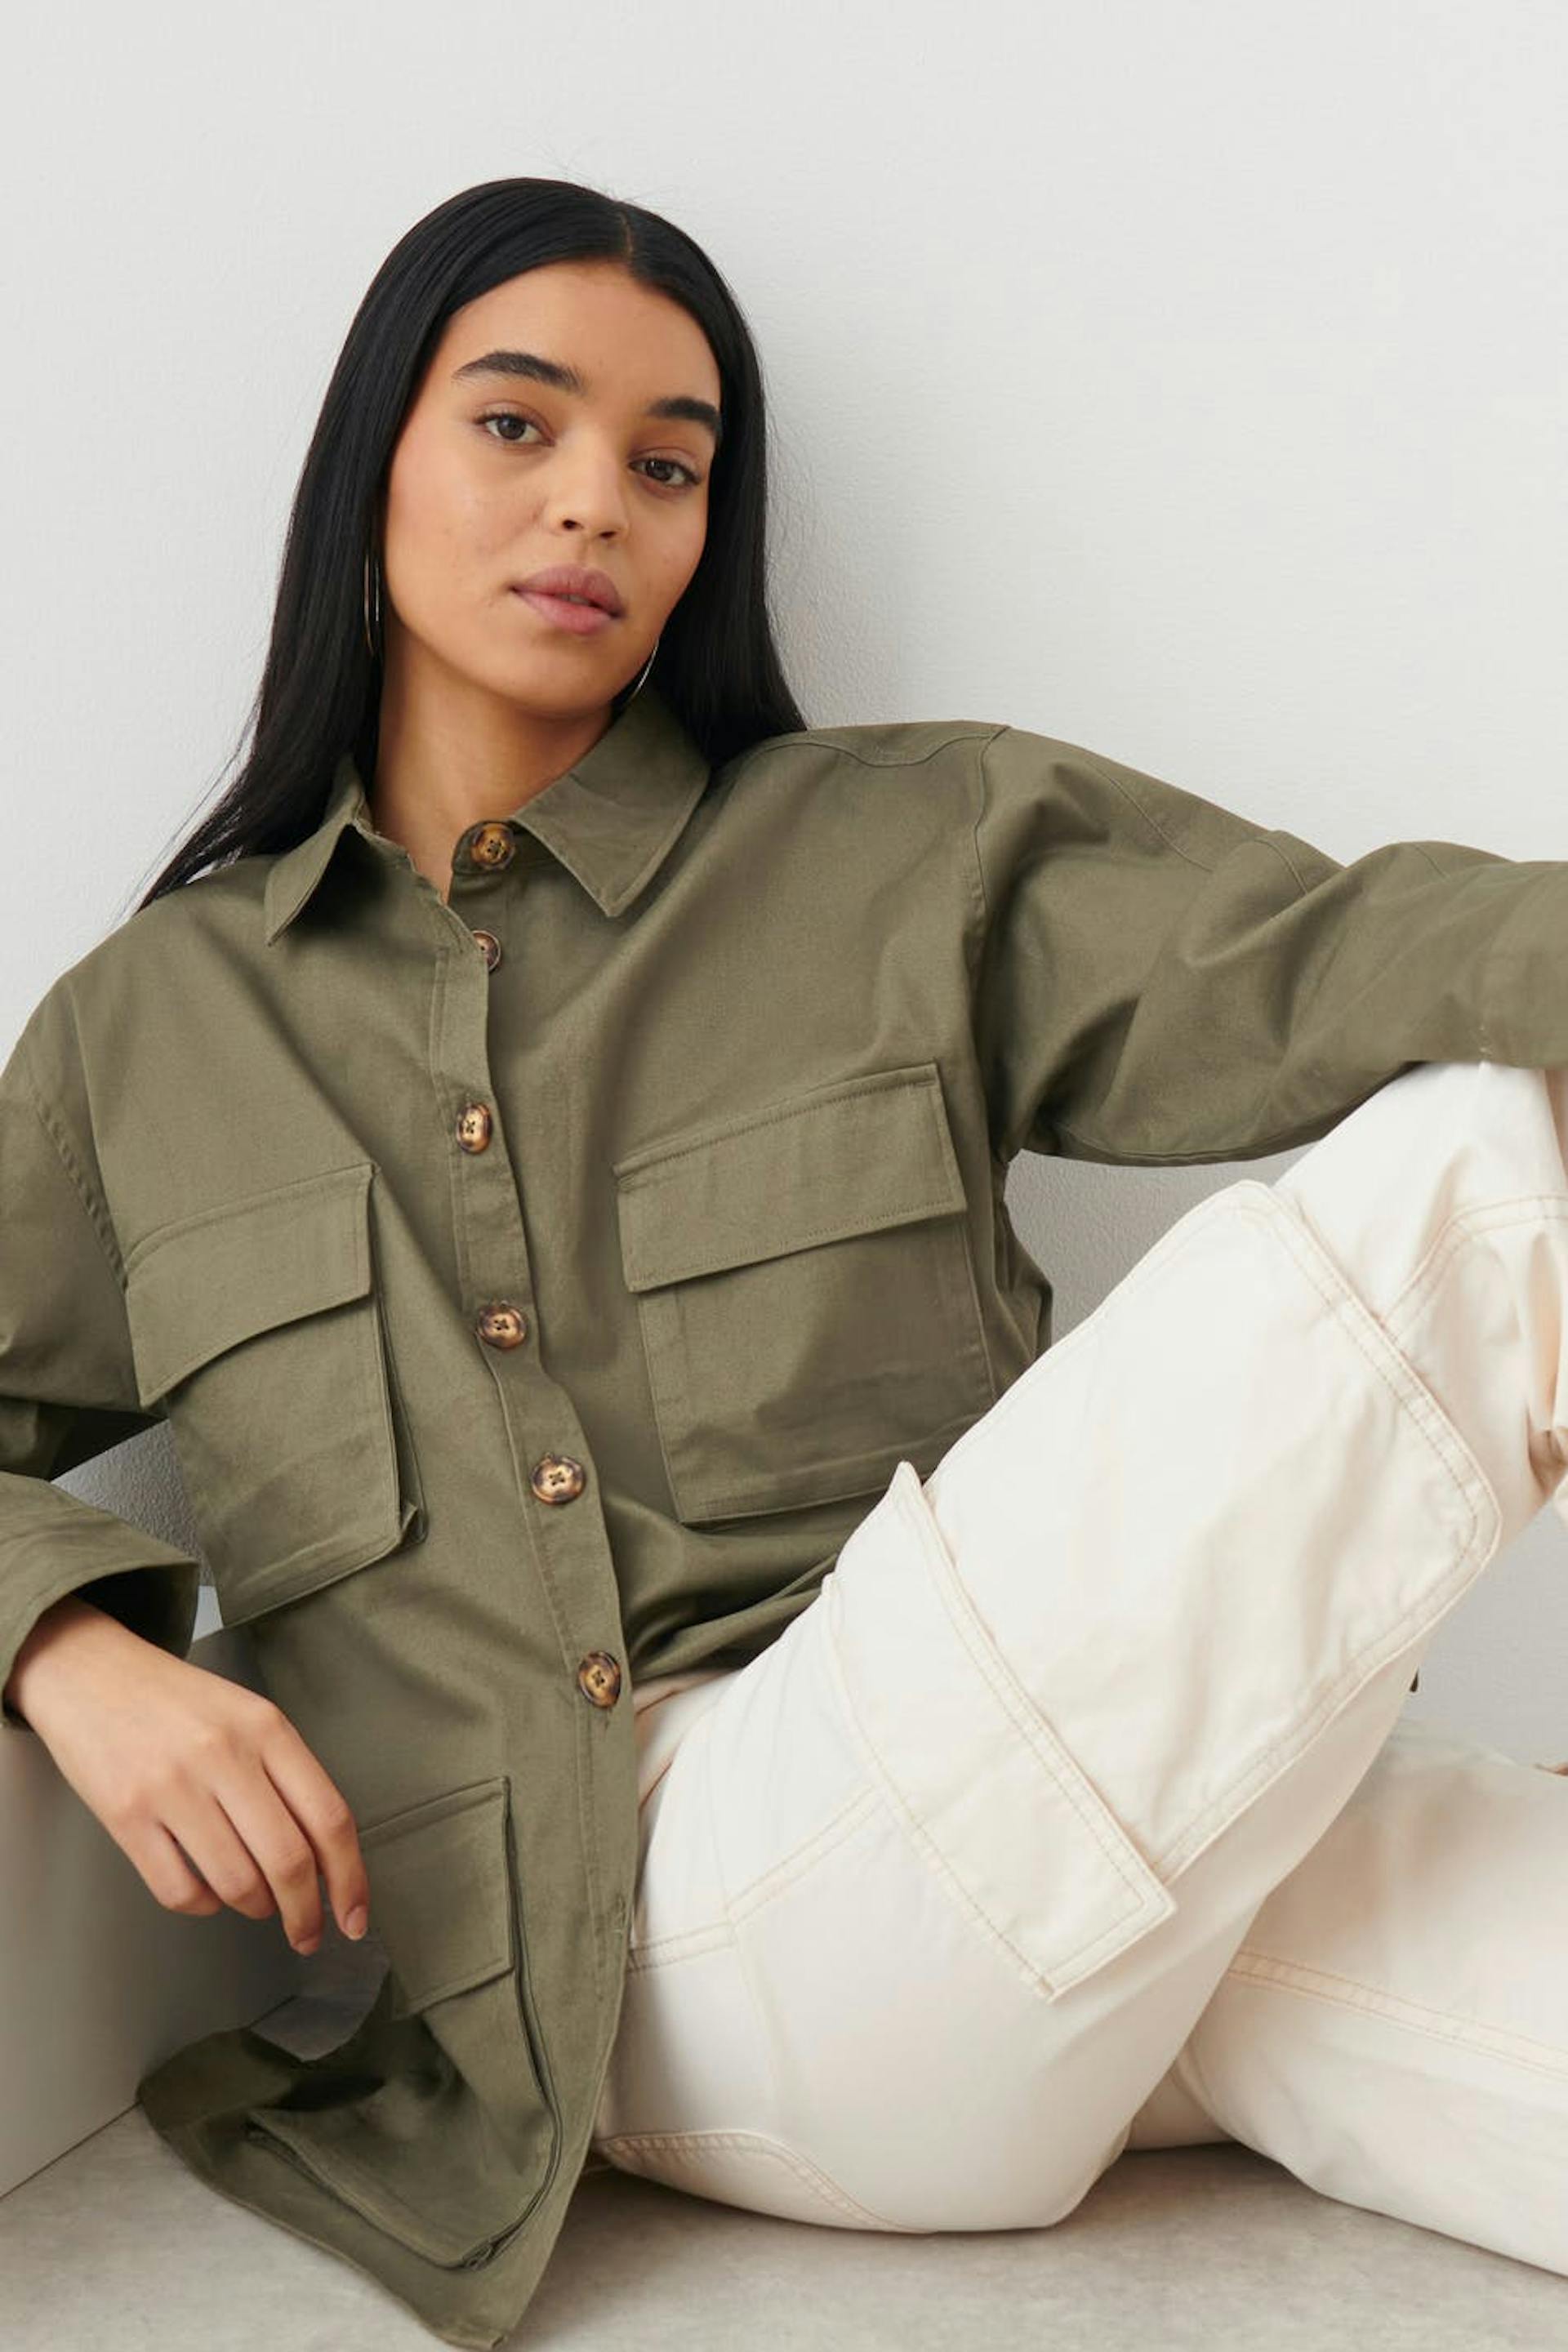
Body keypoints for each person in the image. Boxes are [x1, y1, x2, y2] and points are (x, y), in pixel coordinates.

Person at [5, 173, 1568, 2349]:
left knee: (1507, 1075)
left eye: (668, 467)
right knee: (1498, 1164)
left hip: (1090, 1879)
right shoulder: (146, 1038)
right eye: (517, 424)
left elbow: (1337, 959)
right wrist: (65, 1648)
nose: (596, 504)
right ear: (371, 461)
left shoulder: (909, 848)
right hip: (677, 1955)